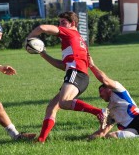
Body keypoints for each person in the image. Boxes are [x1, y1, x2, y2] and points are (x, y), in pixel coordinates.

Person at [26, 11, 107, 143]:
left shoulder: (70, 33)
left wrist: (28, 39)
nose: (60, 26)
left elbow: (42, 28)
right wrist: (43, 54)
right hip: (78, 75)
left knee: (63, 103)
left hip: (77, 74)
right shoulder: (76, 40)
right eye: (59, 23)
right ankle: (41, 140)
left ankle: (99, 112)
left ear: (73, 23)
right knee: (52, 107)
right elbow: (63, 66)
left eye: (63, 23)